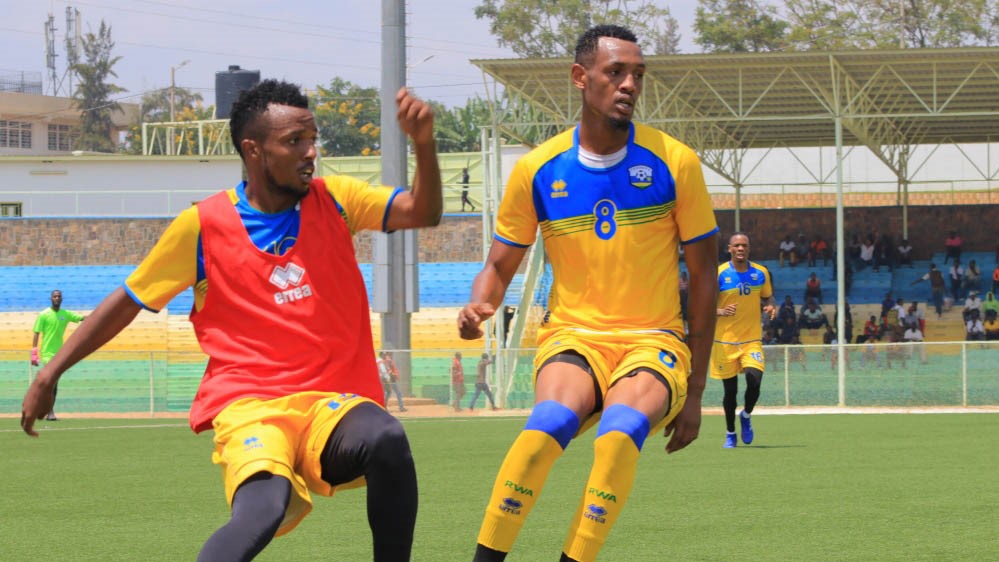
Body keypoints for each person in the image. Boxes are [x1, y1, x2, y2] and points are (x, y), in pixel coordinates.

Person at [20, 79, 443, 561]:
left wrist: (423, 144)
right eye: (294, 141)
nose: (311, 153)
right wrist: (51, 372)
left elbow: (423, 211)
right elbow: (128, 299)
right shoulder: (202, 225)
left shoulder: (338, 199)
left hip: (332, 406)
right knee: (263, 509)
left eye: (312, 139)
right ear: (254, 150)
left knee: (387, 438)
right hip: (250, 407)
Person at [456, 25, 719, 562]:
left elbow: (706, 281)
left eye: (637, 75)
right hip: (573, 336)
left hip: (654, 341)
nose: (628, 85)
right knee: (546, 425)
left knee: (620, 434)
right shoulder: (538, 169)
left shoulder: (675, 162)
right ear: (581, 77)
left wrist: (694, 393)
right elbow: (498, 264)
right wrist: (479, 301)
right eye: (615, 72)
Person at [712, 232, 775, 449]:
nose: (741, 249)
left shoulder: (760, 273)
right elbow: (701, 305)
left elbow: (767, 295)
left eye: (744, 246)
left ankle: (746, 415)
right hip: (725, 342)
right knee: (730, 392)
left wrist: (770, 305)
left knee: (755, 381)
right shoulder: (719, 274)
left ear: (749, 248)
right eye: (737, 245)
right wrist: (719, 310)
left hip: (751, 340)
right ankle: (730, 433)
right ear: (729, 248)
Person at [30, 289, 85, 421]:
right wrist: (34, 354)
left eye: (59, 296)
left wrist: (100, 316)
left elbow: (81, 318)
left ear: (61, 299)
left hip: (60, 354)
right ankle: (49, 412)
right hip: (47, 354)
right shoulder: (44, 314)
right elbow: (36, 333)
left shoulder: (65, 314)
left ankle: (44, 406)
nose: (57, 298)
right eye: (54, 296)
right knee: (52, 382)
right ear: (51, 299)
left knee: (54, 384)